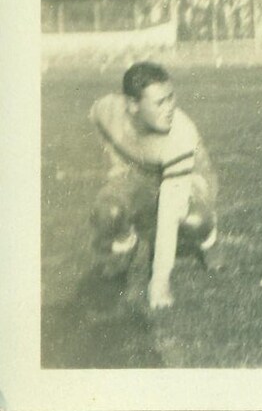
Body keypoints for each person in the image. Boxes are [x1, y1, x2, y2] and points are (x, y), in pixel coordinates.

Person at [89, 61, 222, 308]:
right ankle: (126, 242)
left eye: (171, 98)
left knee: (192, 219)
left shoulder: (179, 136)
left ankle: (209, 237)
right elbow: (96, 118)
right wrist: (116, 163)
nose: (170, 107)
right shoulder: (107, 110)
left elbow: (169, 214)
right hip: (142, 173)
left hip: (192, 176)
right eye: (160, 102)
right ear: (132, 105)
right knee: (108, 209)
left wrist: (159, 282)